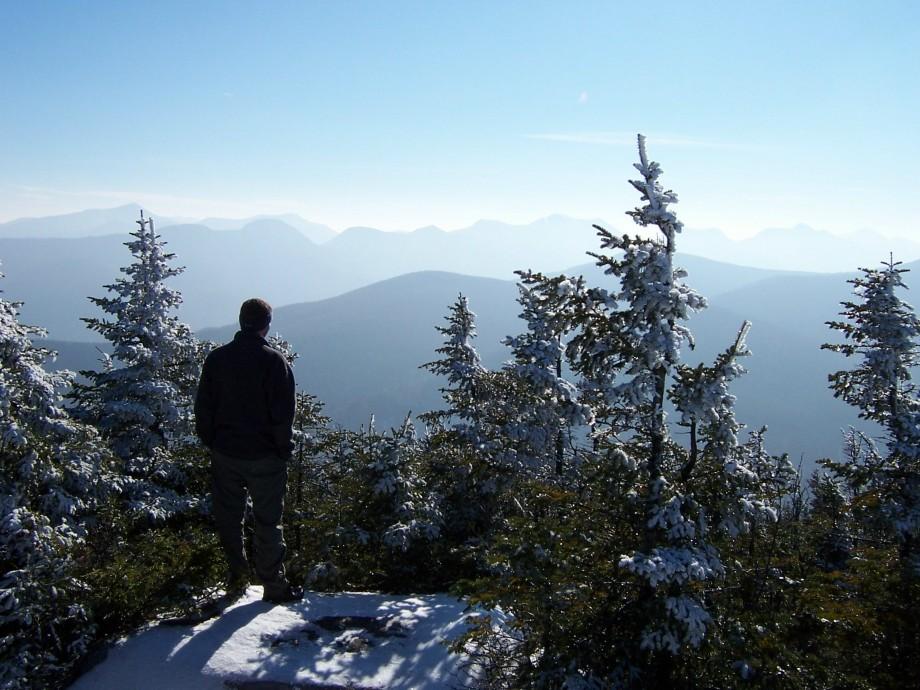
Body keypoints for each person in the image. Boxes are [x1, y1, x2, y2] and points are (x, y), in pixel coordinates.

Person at [194, 298, 303, 604]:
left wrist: (212, 441)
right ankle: (273, 585)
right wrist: (283, 449)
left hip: (226, 452)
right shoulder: (274, 362)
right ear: (267, 324)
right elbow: (283, 415)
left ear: (241, 321)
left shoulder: (217, 359)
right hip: (266, 456)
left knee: (229, 519)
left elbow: (203, 407)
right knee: (268, 521)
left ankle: (237, 580)